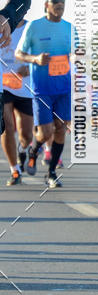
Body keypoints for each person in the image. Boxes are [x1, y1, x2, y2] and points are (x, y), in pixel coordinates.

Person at [16, 0, 72, 188]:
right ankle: (34, 149)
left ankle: (51, 173)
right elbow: (19, 53)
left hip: (64, 87)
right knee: (46, 132)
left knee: (60, 130)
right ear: (46, 5)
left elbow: (76, 55)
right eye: (55, 1)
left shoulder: (70, 28)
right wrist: (35, 59)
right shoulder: (34, 27)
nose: (60, 4)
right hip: (42, 88)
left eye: (62, 0)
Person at [1, 20, 33, 185]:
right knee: (7, 125)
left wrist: (31, 67)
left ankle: (22, 153)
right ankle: (15, 170)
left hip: (24, 87)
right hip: (2, 86)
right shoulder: (1, 26)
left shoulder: (31, 28)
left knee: (27, 134)